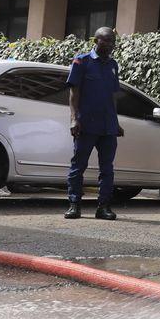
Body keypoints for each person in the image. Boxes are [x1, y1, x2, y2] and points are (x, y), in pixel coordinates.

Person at [65, 26, 124, 221]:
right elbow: (74, 93)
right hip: (86, 124)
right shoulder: (81, 61)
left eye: (112, 41)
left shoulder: (113, 65)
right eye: (106, 41)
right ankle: (74, 205)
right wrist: (74, 119)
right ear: (96, 41)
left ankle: (104, 207)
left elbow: (113, 96)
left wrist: (116, 121)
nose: (109, 45)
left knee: (107, 168)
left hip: (108, 126)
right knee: (78, 166)